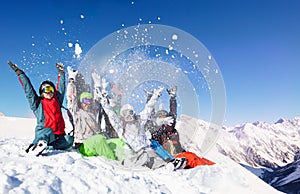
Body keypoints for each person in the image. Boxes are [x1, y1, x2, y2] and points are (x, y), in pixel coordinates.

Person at [7, 61, 74, 156]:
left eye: (51, 90)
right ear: (42, 92)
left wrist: (61, 73)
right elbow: (28, 90)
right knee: (48, 131)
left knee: (69, 140)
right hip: (44, 133)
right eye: (47, 89)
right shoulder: (37, 103)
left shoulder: (57, 101)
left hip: (58, 137)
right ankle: (36, 146)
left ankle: (47, 146)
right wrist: (21, 74)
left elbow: (62, 88)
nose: (50, 92)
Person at [147, 85, 185, 156]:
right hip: (159, 155)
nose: (163, 119)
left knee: (169, 143)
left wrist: (173, 98)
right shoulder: (155, 129)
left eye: (164, 117)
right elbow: (150, 115)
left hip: (175, 154)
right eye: (160, 117)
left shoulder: (169, 127)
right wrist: (150, 98)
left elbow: (173, 112)